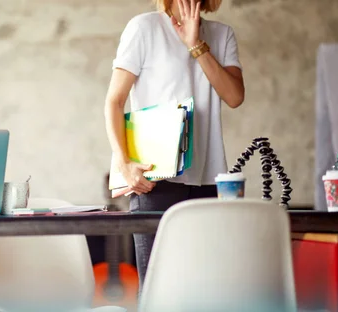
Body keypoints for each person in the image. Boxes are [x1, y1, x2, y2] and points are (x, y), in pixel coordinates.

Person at [104, 0, 245, 289]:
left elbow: (234, 96)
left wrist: (196, 45)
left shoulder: (222, 34)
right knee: (159, 289)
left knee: (205, 290)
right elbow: (114, 102)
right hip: (156, 179)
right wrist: (124, 162)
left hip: (209, 179)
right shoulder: (144, 28)